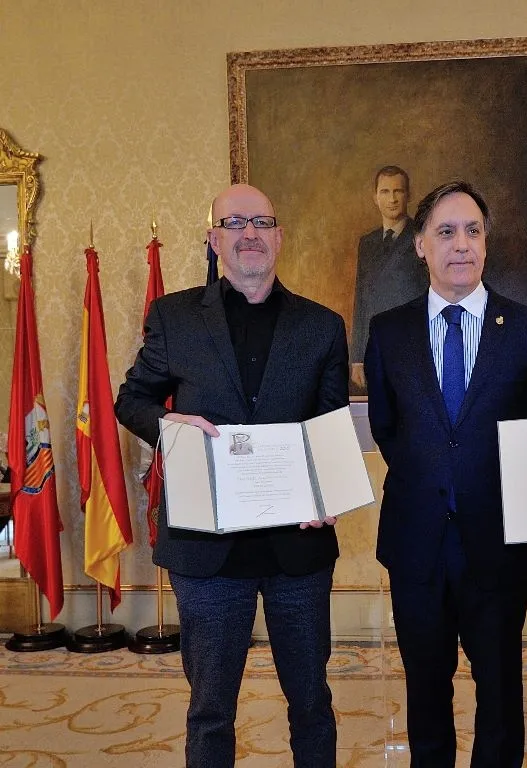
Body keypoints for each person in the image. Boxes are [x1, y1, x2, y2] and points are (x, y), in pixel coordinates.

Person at [115, 183, 348, 768]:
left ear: (279, 237)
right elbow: (132, 400)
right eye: (235, 222)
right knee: (211, 710)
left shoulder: (322, 326)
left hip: (297, 548)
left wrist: (331, 490)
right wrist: (170, 424)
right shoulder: (173, 316)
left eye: (262, 222)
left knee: (311, 703)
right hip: (207, 552)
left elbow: (331, 425)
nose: (250, 234)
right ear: (213, 239)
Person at [364, 180, 527, 767]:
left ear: (485, 242)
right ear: (420, 245)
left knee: (500, 693)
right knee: (426, 692)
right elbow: (388, 428)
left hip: (498, 544)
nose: (461, 244)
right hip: (416, 542)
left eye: (473, 231)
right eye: (446, 231)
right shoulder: (388, 331)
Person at [349, 165, 428, 392]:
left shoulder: (422, 238)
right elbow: (361, 300)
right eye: (385, 192)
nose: (392, 199)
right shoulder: (368, 243)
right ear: (375, 197)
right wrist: (357, 358)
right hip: (375, 347)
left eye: (398, 191)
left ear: (408, 195)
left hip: (412, 346)